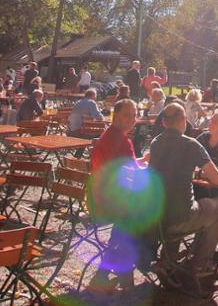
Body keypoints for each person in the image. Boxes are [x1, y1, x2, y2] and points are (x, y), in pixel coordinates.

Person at [148, 103, 218, 283]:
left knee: (179, 200)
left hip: (156, 218)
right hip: (181, 217)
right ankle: (201, 263)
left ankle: (168, 262)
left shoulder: (155, 143)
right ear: (184, 121)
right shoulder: (191, 144)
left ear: (164, 123)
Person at [89, 99, 147, 291]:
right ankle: (127, 271)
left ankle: (104, 274)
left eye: (134, 115)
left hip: (101, 197)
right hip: (108, 202)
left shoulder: (114, 136)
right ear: (115, 116)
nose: (132, 119)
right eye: (126, 115)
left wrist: (142, 162)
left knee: (126, 226)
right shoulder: (118, 140)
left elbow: (126, 168)